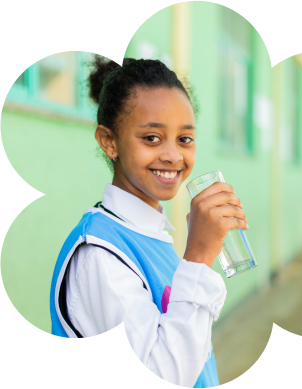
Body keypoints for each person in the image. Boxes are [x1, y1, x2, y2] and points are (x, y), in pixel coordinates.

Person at [49, 55, 249, 388]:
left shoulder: (149, 233)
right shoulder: (100, 253)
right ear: (109, 141)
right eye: (152, 138)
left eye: (184, 139)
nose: (173, 155)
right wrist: (198, 257)